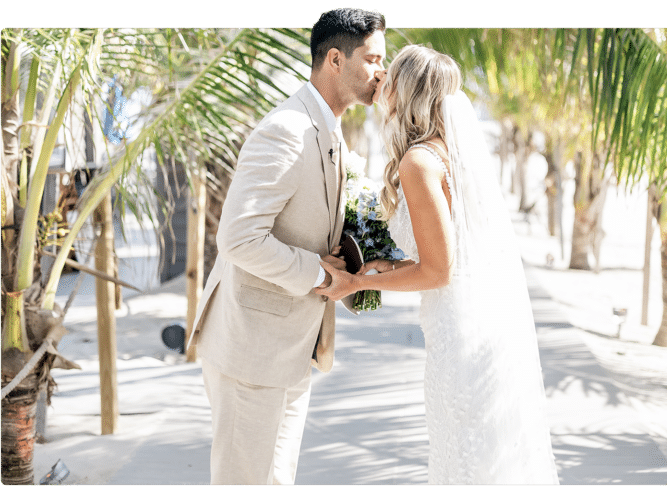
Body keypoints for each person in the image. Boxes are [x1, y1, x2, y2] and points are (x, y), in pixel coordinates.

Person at [315, 45, 560, 484]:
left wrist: (353, 282)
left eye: (390, 76)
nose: (380, 82)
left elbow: (439, 271)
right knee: (477, 451)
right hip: (477, 319)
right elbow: (453, 252)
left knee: (461, 450)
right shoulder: (446, 154)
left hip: (456, 329)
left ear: (405, 91)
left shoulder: (417, 163)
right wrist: (388, 267)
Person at [186, 9, 386, 484]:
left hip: (290, 347)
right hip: (251, 349)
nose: (383, 70)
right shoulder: (287, 130)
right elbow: (237, 237)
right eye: (373, 59)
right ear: (335, 59)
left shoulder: (328, 127)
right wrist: (321, 273)